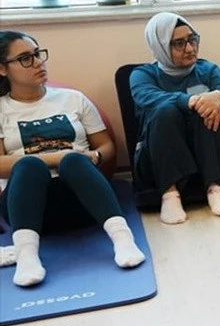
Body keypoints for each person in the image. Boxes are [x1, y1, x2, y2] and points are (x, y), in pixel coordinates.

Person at [0, 31, 145, 287]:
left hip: (83, 202)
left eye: (38, 54)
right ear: (2, 69)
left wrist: (96, 156)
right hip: (27, 208)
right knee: (29, 164)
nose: (37, 62)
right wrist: (59, 155)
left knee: (74, 162)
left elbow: (106, 145)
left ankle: (123, 240)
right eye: (25, 58)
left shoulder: (73, 99)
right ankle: (26, 256)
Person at [130, 12, 220, 225]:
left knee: (211, 109)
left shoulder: (208, 69)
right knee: (166, 110)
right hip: (158, 158)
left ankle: (215, 188)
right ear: (160, 46)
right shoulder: (142, 75)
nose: (190, 48)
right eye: (179, 43)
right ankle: (169, 194)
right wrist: (190, 101)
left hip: (209, 153)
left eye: (192, 39)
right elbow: (146, 97)